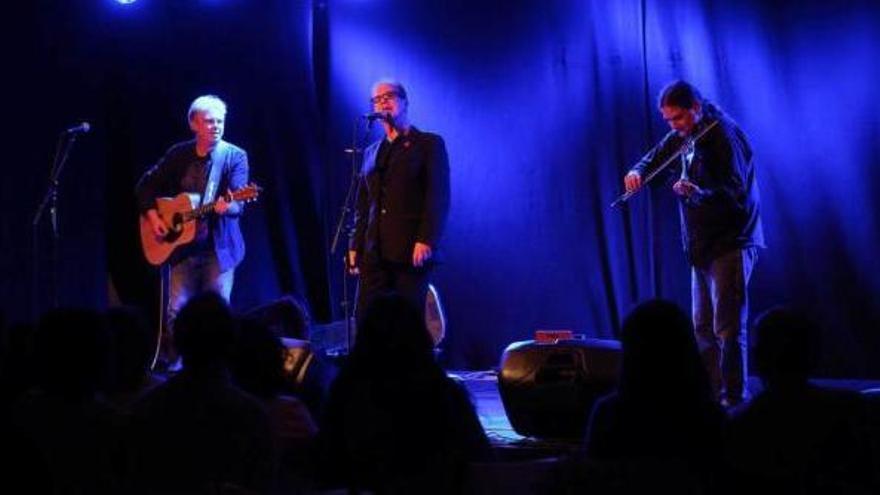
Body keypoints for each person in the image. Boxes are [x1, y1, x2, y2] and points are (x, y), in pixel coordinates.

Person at [623, 80, 764, 407]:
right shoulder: (684, 134)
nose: (674, 127)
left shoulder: (723, 136)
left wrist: (697, 193)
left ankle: (733, 400)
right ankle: (710, 400)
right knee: (702, 327)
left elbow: (735, 193)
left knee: (727, 329)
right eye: (668, 121)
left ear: (696, 109)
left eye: (679, 119)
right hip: (702, 245)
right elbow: (653, 159)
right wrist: (637, 172)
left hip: (731, 241)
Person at [135, 95, 249, 367]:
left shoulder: (234, 156)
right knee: (177, 312)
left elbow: (238, 205)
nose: (216, 126)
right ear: (194, 124)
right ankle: (176, 371)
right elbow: (146, 186)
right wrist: (154, 218)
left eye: (220, 121)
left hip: (218, 249)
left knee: (217, 313)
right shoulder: (179, 154)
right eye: (209, 121)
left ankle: (215, 369)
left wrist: (227, 207)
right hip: (181, 249)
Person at [347, 80, 450, 322]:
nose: (382, 101)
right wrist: (355, 245)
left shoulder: (428, 144)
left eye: (389, 96)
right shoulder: (371, 151)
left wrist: (426, 239)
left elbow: (438, 196)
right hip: (374, 252)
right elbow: (363, 205)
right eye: (377, 99)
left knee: (408, 323)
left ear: (404, 101)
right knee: (366, 319)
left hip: (410, 251)